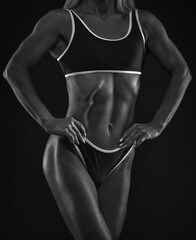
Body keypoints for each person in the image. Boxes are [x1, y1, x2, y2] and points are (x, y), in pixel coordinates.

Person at [3, 0, 191, 239]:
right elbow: (14, 69)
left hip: (120, 157)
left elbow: (182, 72)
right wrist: (46, 120)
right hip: (73, 151)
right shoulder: (61, 21)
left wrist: (158, 125)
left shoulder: (144, 23)